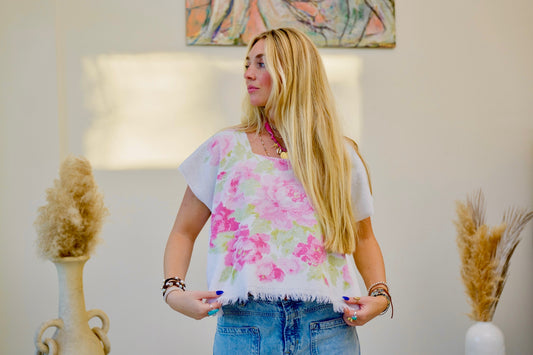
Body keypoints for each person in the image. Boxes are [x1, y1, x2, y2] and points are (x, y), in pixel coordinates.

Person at [163, 27, 392, 354]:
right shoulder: (225, 149)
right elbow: (183, 232)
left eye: (261, 64)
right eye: (247, 64)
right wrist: (174, 292)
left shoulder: (339, 155)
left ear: (294, 72)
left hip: (328, 328)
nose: (248, 74)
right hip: (246, 326)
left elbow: (363, 237)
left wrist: (380, 296)